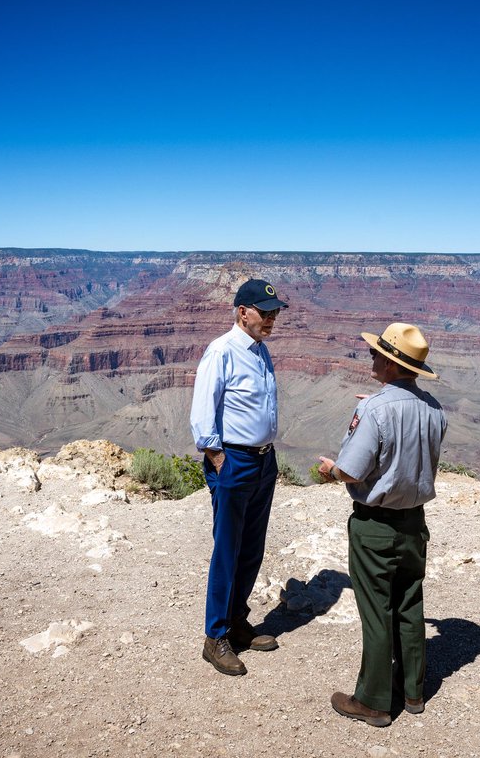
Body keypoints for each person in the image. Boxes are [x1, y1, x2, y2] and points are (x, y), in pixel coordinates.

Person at [317, 322, 447, 727]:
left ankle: (372, 702)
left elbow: (352, 472)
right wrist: (376, 409)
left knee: (377, 611)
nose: (370, 358)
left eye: (376, 354)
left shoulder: (374, 410)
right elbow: (407, 441)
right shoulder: (434, 409)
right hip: (415, 524)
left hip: (375, 526)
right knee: (410, 604)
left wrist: (330, 469)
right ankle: (412, 692)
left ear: (391, 364)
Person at [190, 278, 288, 676]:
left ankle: (236, 621)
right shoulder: (221, 351)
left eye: (275, 313)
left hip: (264, 462)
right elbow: (203, 409)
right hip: (235, 462)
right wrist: (217, 458)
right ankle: (215, 638)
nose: (271, 320)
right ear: (242, 311)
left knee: (252, 548)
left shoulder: (260, 351)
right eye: (265, 313)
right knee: (228, 550)